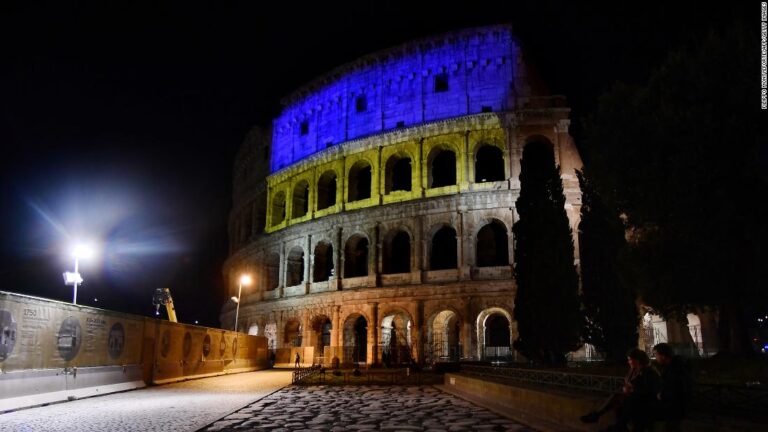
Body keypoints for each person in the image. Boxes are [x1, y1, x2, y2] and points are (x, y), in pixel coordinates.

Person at [580, 348, 661, 431]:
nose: (628, 362)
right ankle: (605, 419)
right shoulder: (634, 370)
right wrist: (627, 388)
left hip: (644, 403)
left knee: (624, 401)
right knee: (619, 398)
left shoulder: (649, 372)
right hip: (632, 399)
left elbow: (650, 391)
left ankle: (604, 419)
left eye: (630, 360)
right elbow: (628, 382)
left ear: (637, 360)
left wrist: (631, 390)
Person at [653, 343, 693, 432]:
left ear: (663, 356)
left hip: (675, 407)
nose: (656, 357)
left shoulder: (675, 369)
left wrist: (662, 395)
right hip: (675, 406)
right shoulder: (674, 366)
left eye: (656, 354)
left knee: (672, 427)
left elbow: (675, 388)